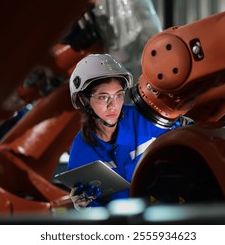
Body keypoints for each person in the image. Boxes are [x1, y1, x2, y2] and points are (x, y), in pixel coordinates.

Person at [67, 53, 193, 209]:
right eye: (103, 97)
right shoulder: (81, 154)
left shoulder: (147, 119)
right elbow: (98, 210)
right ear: (82, 99)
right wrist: (85, 206)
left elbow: (190, 139)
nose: (113, 105)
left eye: (118, 95)